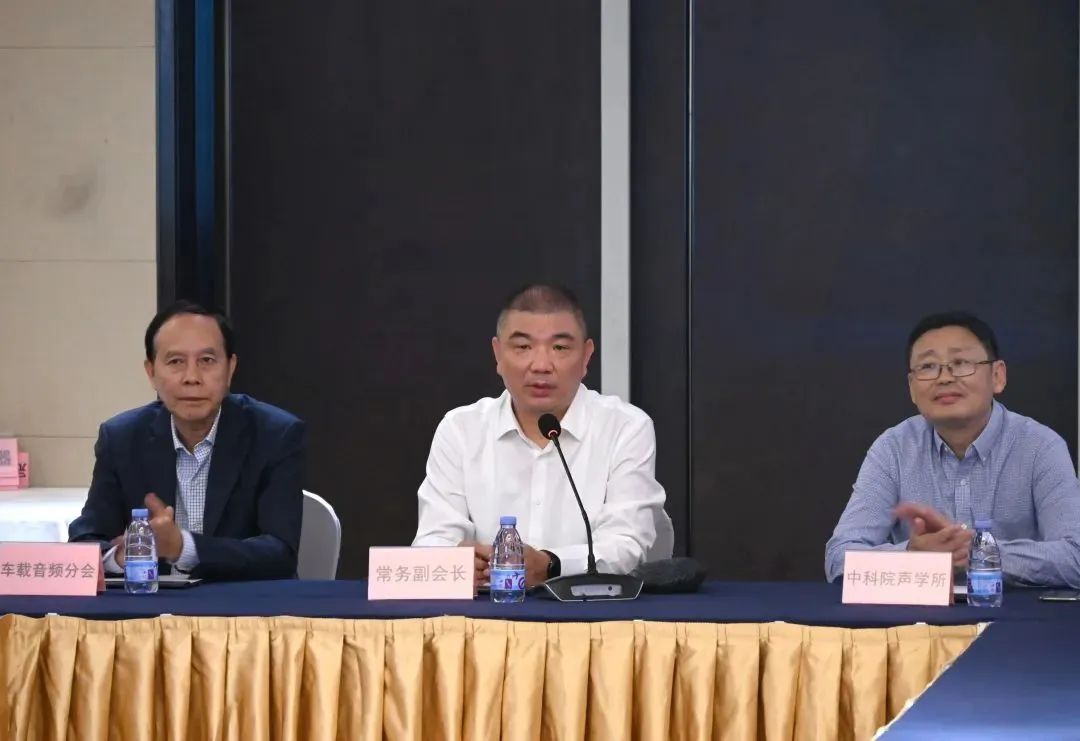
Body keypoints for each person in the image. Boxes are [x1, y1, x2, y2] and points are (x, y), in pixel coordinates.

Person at [412, 284, 674, 587]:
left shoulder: (625, 427)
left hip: (592, 610)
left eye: (559, 348)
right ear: (498, 354)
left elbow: (626, 544)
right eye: (523, 347)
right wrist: (457, 563)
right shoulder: (460, 429)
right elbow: (432, 540)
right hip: (488, 608)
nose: (541, 366)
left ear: (586, 356)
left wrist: (551, 564)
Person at [825, 311, 1080, 588]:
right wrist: (911, 556)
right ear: (912, 388)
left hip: (1013, 611)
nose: (944, 378)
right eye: (928, 366)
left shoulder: (1040, 446)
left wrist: (976, 552)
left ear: (997, 376)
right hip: (916, 614)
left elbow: (1074, 556)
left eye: (960, 363)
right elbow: (838, 559)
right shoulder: (893, 448)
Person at [68, 300, 305, 581]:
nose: (192, 377)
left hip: (243, 603)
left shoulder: (275, 434)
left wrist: (183, 548)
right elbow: (85, 543)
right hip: (152, 605)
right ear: (151, 372)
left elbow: (280, 553)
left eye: (207, 361)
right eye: (175, 362)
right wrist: (126, 554)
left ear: (230, 368)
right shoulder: (121, 438)